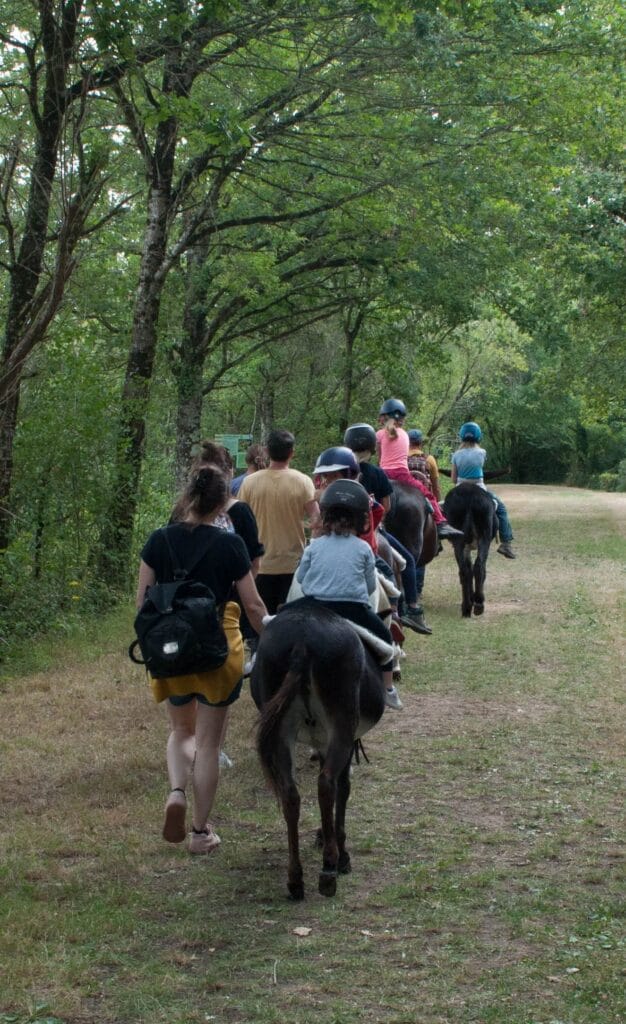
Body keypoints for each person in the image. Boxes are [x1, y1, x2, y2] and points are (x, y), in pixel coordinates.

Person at [136, 465, 268, 855]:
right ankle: (199, 832)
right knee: (209, 744)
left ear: (187, 497)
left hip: (171, 650)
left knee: (181, 732)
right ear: (223, 504)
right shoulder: (230, 545)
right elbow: (253, 604)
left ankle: (176, 791)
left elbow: (142, 602)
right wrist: (272, 634)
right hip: (218, 650)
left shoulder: (158, 540)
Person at [295, 479, 402, 710]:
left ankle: (259, 655)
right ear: (361, 519)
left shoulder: (314, 546)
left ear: (325, 517)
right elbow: (371, 587)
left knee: (280, 617)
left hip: (315, 605)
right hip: (354, 609)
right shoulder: (363, 548)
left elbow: (302, 578)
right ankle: (388, 689)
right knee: (384, 637)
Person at [343, 423, 432, 634]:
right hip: (370, 531)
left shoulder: (342, 471)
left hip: (339, 529)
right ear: (372, 448)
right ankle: (411, 608)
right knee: (408, 561)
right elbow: (386, 506)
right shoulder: (376, 473)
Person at [239, 428, 321, 613]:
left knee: (261, 621)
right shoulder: (303, 481)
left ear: (267, 451)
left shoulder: (249, 482)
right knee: (290, 622)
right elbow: (317, 520)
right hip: (293, 566)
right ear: (292, 453)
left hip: (258, 565)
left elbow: (240, 522)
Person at [375, 399, 462, 539]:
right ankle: (440, 523)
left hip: (383, 475)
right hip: (401, 474)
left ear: (384, 417)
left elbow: (380, 459)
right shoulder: (404, 435)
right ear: (401, 419)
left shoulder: (378, 434)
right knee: (428, 495)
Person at [451, 421, 516, 558]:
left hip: (460, 488)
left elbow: (453, 479)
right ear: (478, 436)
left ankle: (438, 541)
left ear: (462, 436)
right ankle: (506, 543)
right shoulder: (482, 452)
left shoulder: (456, 455)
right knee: (502, 510)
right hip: (480, 488)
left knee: (440, 509)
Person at [407, 428, 441, 502]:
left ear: (407, 442)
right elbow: (436, 488)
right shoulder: (429, 459)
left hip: (405, 494)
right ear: (421, 442)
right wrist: (437, 503)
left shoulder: (402, 458)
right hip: (424, 497)